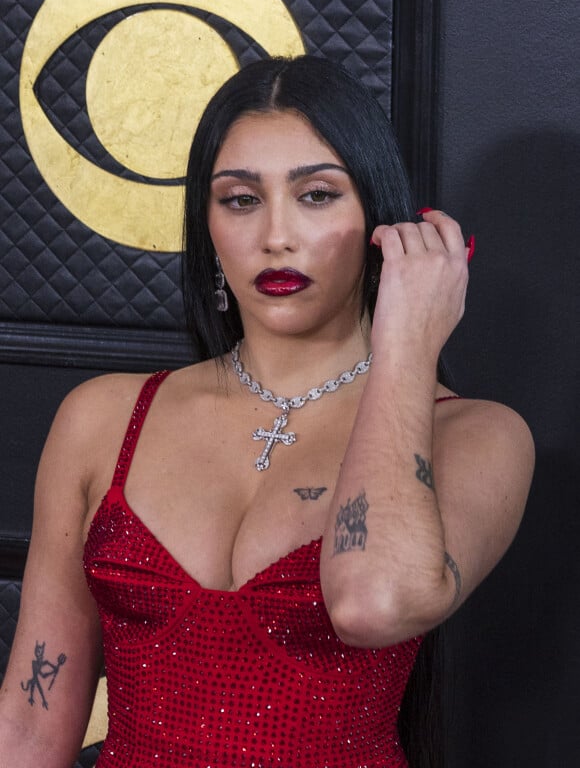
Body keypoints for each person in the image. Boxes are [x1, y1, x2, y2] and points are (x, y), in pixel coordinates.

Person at [0, 56, 534, 768]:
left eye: (316, 195)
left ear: (379, 217)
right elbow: (30, 727)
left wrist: (406, 342)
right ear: (209, 227)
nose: (276, 235)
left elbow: (373, 602)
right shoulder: (100, 419)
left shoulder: (477, 435)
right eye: (241, 199)